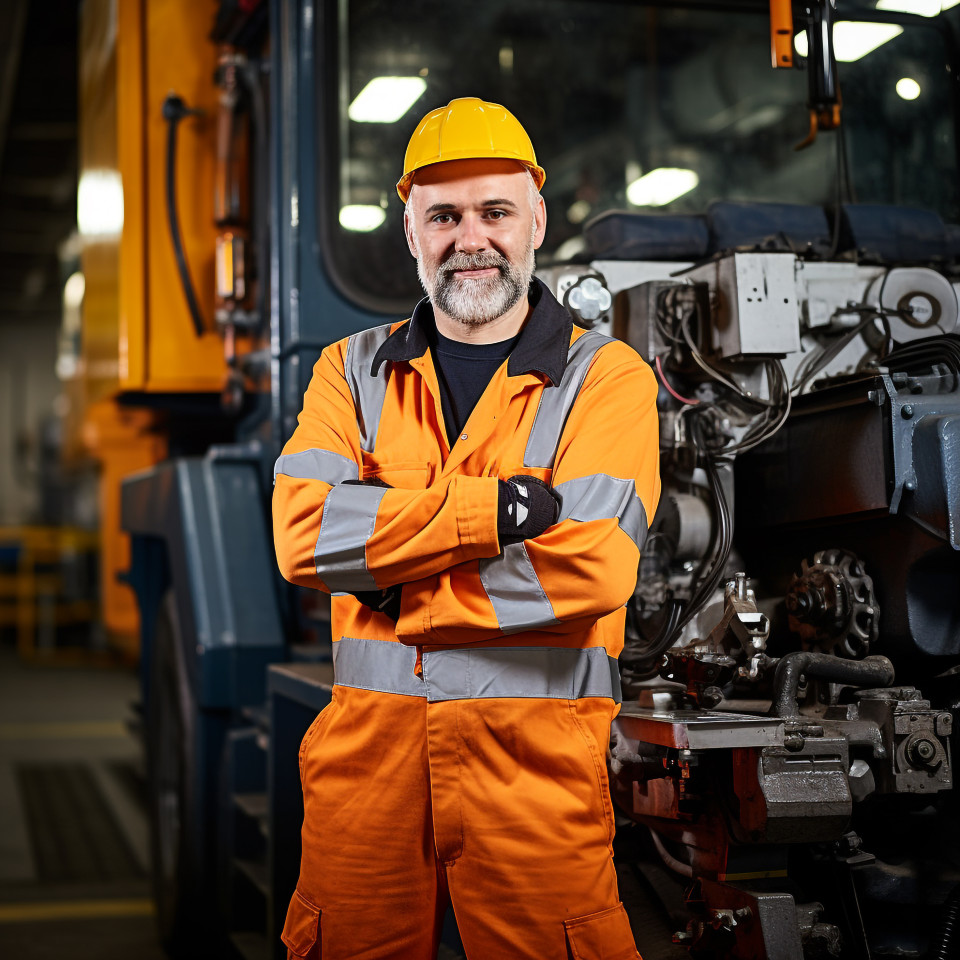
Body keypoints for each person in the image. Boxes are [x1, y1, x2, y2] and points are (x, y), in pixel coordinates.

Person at [272, 97, 660, 960]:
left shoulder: (605, 381)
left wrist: (390, 580)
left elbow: (591, 569)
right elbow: (302, 536)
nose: (469, 238)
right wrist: (496, 513)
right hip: (365, 792)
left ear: (537, 222)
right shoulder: (352, 370)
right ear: (411, 232)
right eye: (443, 216)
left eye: (495, 212)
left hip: (534, 795)